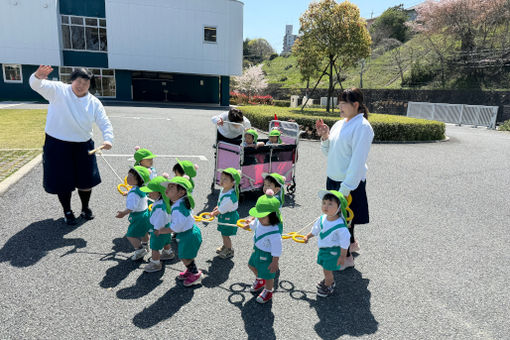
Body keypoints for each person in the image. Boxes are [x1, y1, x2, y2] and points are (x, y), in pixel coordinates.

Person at [29, 65, 113, 225]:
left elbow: (104, 122)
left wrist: (108, 139)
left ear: (90, 85)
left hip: (83, 145)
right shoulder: (58, 90)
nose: (81, 85)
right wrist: (37, 76)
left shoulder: (94, 102)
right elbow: (36, 85)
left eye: (86, 83)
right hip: (57, 143)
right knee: (63, 180)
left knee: (86, 180)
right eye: (79, 81)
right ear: (72, 80)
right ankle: (67, 210)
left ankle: (85, 208)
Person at [315, 88, 374, 269]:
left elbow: (357, 162)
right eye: (339, 103)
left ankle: (346, 257)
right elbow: (328, 152)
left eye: (343, 104)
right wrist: (325, 136)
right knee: (346, 217)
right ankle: (352, 242)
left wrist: (346, 187)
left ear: (355, 105)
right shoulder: (339, 124)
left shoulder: (363, 127)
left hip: (349, 181)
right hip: (334, 177)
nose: (339, 107)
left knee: (343, 218)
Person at [155, 176, 203, 287]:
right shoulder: (181, 201)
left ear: (181, 192)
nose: (167, 189)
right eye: (168, 187)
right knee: (187, 255)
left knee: (184, 256)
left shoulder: (178, 208)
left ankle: (196, 274)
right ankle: (190, 270)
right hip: (190, 232)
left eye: (171, 188)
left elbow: (176, 228)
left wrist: (162, 231)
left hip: (188, 235)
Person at [303, 190, 351, 297]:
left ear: (339, 208)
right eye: (324, 203)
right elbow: (315, 229)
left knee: (327, 270)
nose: (325, 206)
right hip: (324, 249)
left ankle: (329, 285)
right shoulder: (322, 219)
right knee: (325, 267)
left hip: (334, 252)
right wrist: (308, 236)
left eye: (330, 204)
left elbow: (345, 243)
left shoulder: (340, 226)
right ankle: (328, 280)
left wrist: (342, 256)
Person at [244, 189, 283, 304]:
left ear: (272, 215)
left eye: (262, 216)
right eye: (258, 215)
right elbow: (254, 223)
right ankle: (260, 280)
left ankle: (268, 290)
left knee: (269, 275)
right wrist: (248, 226)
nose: (259, 218)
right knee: (251, 265)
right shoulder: (260, 220)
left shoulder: (274, 232)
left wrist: (275, 261)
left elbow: (277, 248)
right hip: (257, 250)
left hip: (267, 255)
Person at [115, 166, 152, 260]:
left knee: (130, 235)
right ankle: (145, 245)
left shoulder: (134, 193)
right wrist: (129, 192)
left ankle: (140, 250)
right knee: (144, 232)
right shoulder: (141, 188)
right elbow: (138, 195)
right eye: (128, 175)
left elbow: (131, 208)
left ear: (138, 180)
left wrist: (123, 213)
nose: (127, 178)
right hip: (145, 213)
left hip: (138, 216)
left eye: (131, 177)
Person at [140, 176, 175, 273]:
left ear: (159, 193)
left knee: (155, 248)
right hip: (166, 228)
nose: (149, 193)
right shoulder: (165, 202)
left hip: (159, 230)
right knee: (166, 242)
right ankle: (168, 253)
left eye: (151, 192)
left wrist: (157, 230)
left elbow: (160, 220)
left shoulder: (160, 207)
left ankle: (155, 263)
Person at [211, 168, 241, 259]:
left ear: (233, 183)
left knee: (225, 234)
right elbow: (221, 203)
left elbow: (224, 208)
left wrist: (215, 212)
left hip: (228, 216)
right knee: (223, 233)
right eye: (221, 178)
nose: (222, 180)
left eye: (225, 179)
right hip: (224, 215)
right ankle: (225, 246)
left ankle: (229, 250)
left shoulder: (230, 196)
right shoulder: (224, 190)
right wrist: (218, 206)